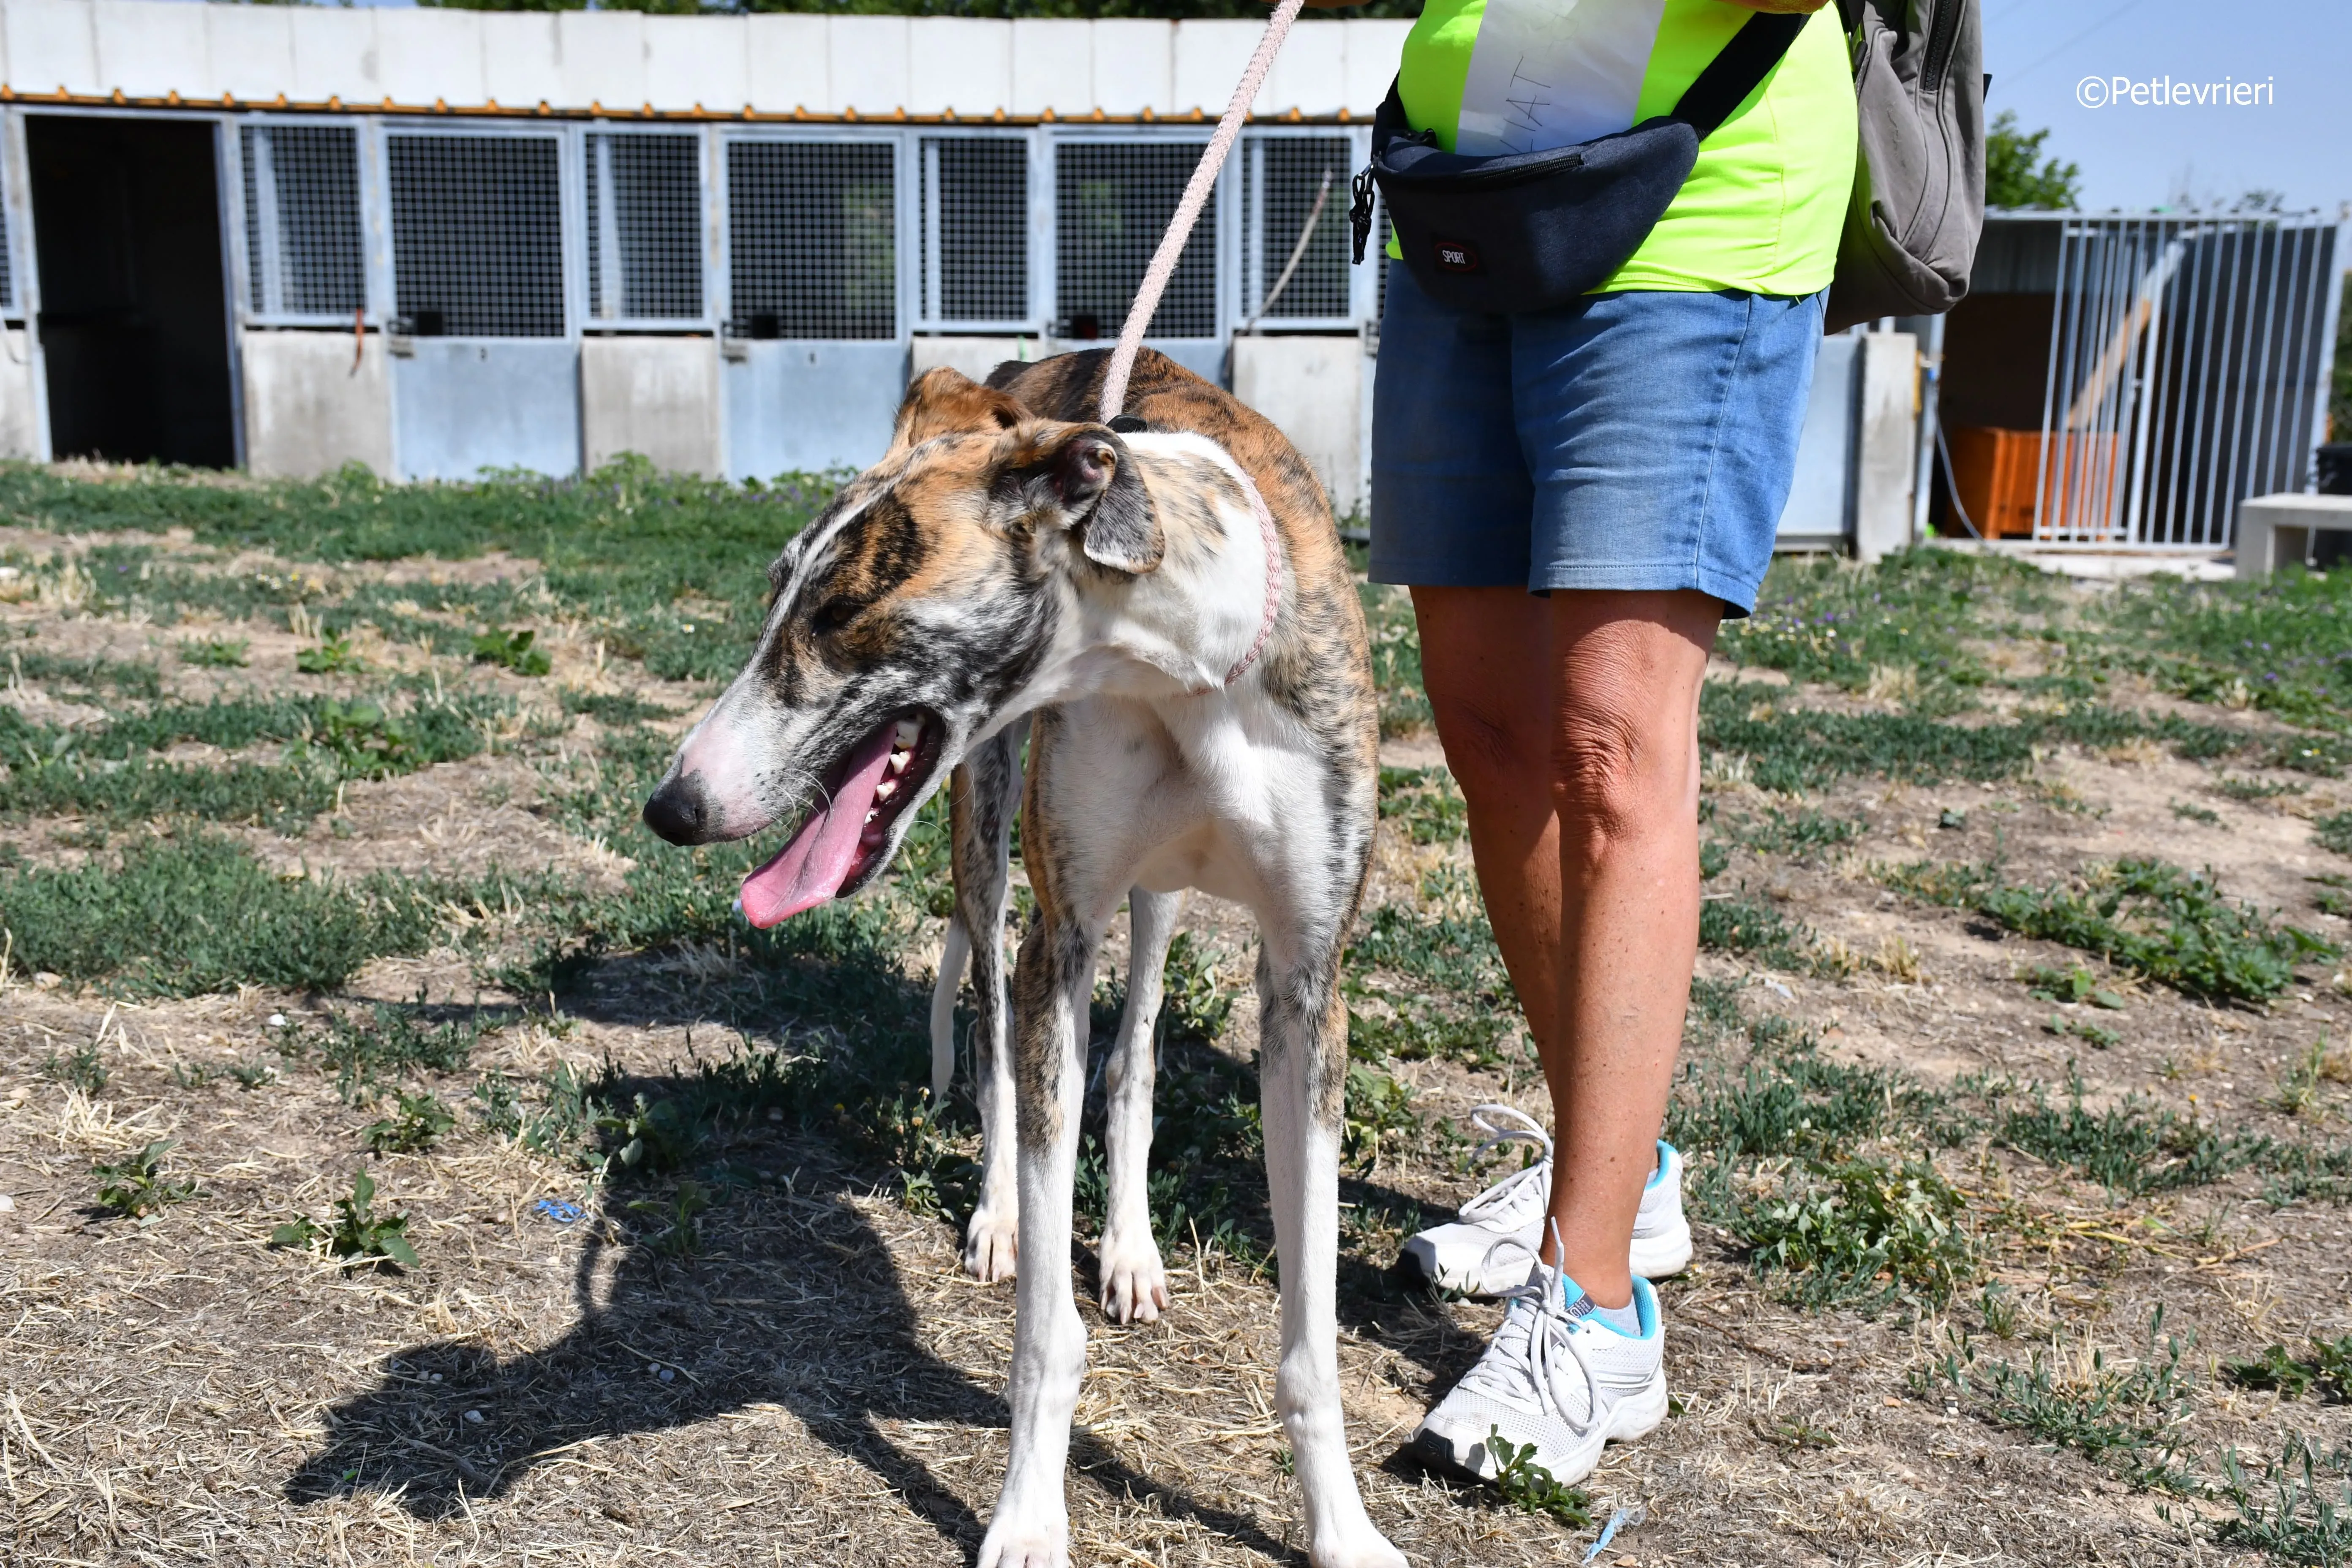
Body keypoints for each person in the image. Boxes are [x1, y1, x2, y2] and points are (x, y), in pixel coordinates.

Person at [1313, 0, 1856, 1488]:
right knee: (1491, 734)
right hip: (1468, 196)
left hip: (1690, 195)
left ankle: (1597, 1305)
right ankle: (1628, 1173)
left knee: (1612, 749)